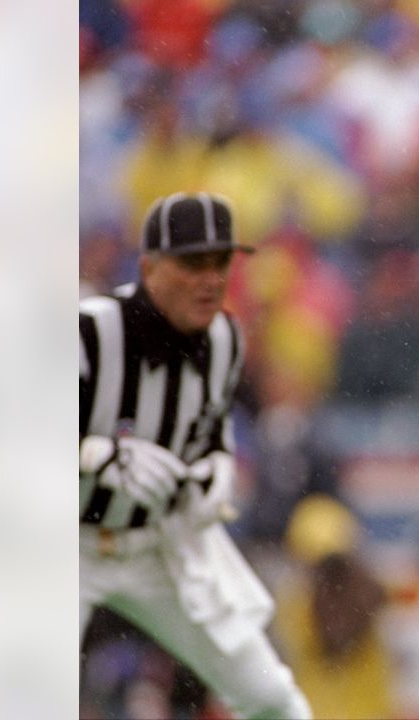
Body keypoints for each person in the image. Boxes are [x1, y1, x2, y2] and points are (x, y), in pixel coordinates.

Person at [79, 192, 311, 720]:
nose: (210, 279)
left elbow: (207, 432)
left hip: (156, 546)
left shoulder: (226, 338)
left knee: (273, 699)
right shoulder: (90, 328)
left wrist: (216, 465)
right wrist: (96, 455)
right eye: (191, 263)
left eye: (220, 262)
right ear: (149, 267)